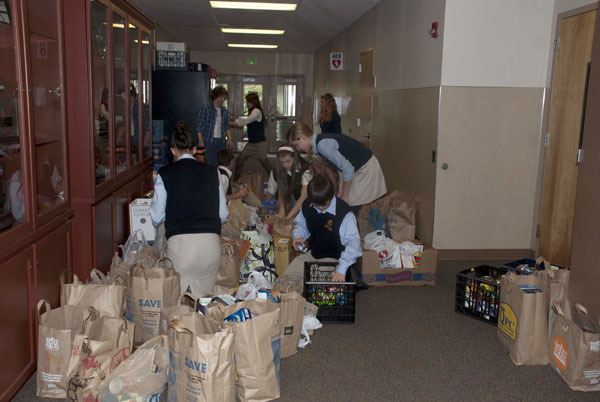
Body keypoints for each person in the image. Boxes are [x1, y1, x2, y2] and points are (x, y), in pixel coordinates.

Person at [150, 123, 228, 296]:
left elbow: (156, 217)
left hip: (181, 248)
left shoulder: (165, 173)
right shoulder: (213, 172)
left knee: (177, 307)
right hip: (210, 246)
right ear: (194, 149)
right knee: (203, 306)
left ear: (172, 150)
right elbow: (223, 214)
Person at [283, 175, 362, 289]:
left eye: (324, 205)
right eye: (316, 205)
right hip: (313, 254)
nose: (320, 209)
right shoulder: (307, 205)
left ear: (331, 196)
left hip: (336, 259)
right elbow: (301, 224)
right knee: (287, 280)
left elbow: (353, 244)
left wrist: (341, 269)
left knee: (315, 288)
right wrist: (298, 237)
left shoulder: (344, 214)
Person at [290, 122, 387, 209]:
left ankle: (355, 226)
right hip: (355, 168)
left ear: (303, 137)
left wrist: (344, 195)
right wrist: (340, 192)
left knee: (351, 204)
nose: (298, 149)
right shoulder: (318, 145)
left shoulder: (322, 145)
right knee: (344, 201)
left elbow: (348, 169)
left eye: (297, 145)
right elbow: (341, 169)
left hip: (365, 167)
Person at [266, 145, 312, 220]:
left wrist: (287, 218)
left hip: (305, 204)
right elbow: (274, 191)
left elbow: (303, 197)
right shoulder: (276, 171)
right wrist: (280, 209)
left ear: (295, 158)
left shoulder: (305, 170)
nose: (285, 165)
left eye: (288, 161)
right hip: (288, 203)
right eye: (282, 162)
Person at [232, 92, 271, 179]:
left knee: (266, 165)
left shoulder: (256, 111)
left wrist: (231, 123)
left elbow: (247, 121)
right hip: (251, 144)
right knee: (240, 160)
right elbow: (253, 125)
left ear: (253, 102)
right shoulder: (252, 111)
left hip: (260, 144)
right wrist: (246, 133)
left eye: (248, 102)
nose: (247, 104)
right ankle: (235, 182)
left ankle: (276, 183)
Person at [196, 86, 231, 166]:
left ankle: (219, 178)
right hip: (208, 140)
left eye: (224, 98)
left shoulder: (224, 111)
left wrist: (229, 139)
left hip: (221, 141)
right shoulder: (206, 108)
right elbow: (199, 126)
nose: (222, 100)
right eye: (221, 97)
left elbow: (227, 127)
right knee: (210, 164)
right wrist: (201, 141)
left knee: (221, 164)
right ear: (215, 96)